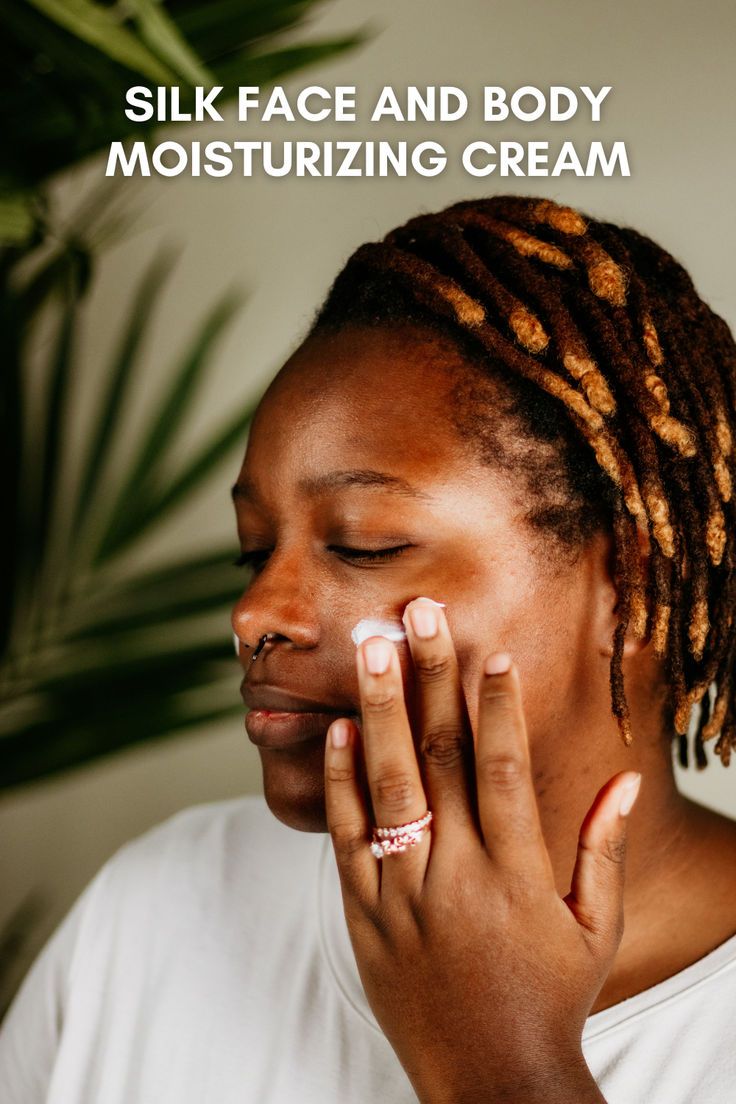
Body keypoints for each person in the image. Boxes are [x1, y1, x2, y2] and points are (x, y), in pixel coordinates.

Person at [2, 194, 736, 1103]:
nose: (256, 612)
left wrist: (500, 1068)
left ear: (627, 587)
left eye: (363, 545)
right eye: (253, 548)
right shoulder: (160, 903)